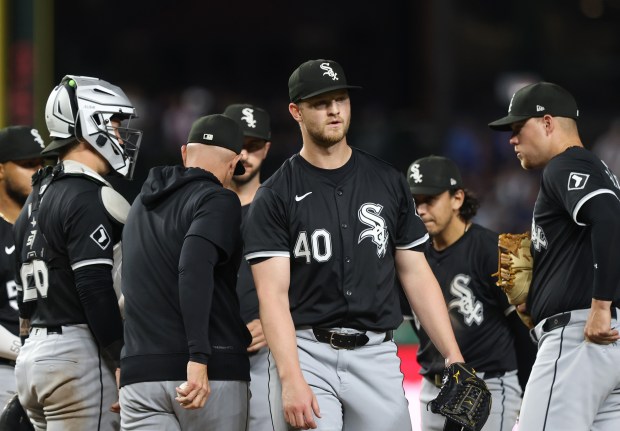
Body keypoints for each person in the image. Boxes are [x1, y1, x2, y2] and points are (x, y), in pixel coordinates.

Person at [243, 58, 465, 431]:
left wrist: (452, 354)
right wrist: (290, 377)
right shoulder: (276, 194)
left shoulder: (387, 180)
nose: (333, 109)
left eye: (340, 99)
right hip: (307, 351)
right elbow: (273, 296)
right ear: (296, 111)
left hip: (376, 352)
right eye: (320, 102)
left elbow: (415, 273)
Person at [13, 75, 142, 430]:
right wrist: (120, 358)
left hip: (34, 356)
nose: (120, 132)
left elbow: (25, 301)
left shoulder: (35, 198)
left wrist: (29, 350)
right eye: (114, 122)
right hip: (79, 353)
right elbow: (93, 286)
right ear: (91, 122)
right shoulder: (86, 195)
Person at [488, 82, 620, 430]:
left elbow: (609, 219)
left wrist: (601, 306)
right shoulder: (595, 169)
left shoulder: (565, 165)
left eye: (518, 129)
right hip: (606, 344)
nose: (512, 140)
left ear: (547, 123)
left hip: (580, 338)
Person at [119, 114, 252, 430]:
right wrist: (199, 357)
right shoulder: (219, 198)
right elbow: (193, 268)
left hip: (140, 376)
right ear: (233, 164)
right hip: (205, 374)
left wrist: (126, 363)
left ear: (184, 152)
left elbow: (122, 283)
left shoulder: (140, 204)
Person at [403, 155, 537, 430]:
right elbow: (420, 326)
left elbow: (523, 330)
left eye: (430, 199)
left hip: (489, 385)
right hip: (434, 388)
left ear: (457, 198)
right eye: (415, 202)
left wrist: (529, 392)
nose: (421, 210)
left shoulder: (494, 250)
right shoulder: (410, 259)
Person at [223, 103, 273, 431]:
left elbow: (314, 280)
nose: (244, 154)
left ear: (267, 148)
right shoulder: (196, 206)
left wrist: (276, 323)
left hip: (266, 355)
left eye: (253, 146)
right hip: (209, 354)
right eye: (238, 144)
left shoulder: (282, 207)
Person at [0, 126, 44, 409]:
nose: (38, 171)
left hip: (56, 369)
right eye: (28, 164)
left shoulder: (52, 225)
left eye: (42, 163)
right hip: (5, 371)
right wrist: (25, 351)